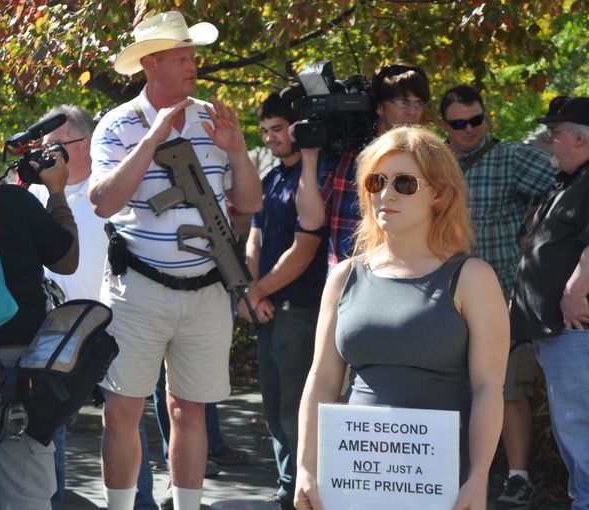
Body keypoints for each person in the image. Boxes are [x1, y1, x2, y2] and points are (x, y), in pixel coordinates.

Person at [88, 10, 262, 510]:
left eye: (192, 56)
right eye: (182, 57)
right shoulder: (118, 125)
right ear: (152, 64)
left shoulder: (213, 116)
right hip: (138, 288)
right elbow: (103, 201)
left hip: (208, 288)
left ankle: (188, 505)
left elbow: (248, 203)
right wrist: (153, 138)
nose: (193, 66)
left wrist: (238, 150)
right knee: (122, 409)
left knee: (190, 410)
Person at [294, 126, 509, 510]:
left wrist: (478, 478)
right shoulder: (344, 276)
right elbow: (321, 379)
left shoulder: (473, 277)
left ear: (439, 195)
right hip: (353, 477)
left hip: (441, 482)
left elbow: (489, 388)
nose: (386, 193)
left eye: (405, 183)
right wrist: (306, 468)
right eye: (377, 181)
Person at [439, 85, 557, 509]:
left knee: (505, 390)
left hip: (500, 298)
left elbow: (568, 181)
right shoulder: (435, 165)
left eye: (476, 120)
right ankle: (451, 476)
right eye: (459, 123)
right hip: (441, 299)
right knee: (448, 389)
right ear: (444, 126)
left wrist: (536, 224)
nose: (470, 129)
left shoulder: (509, 157)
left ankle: (518, 478)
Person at [0, 112, 79, 510]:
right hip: (17, 365)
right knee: (27, 492)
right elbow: (65, 258)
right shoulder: (13, 202)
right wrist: (56, 192)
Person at [238, 93, 328, 510]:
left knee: (296, 409)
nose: (271, 138)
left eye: (278, 129)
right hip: (267, 310)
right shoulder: (271, 178)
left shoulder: (316, 175)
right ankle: (286, 485)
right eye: (265, 131)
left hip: (301, 311)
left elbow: (305, 247)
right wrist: (248, 291)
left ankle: (301, 491)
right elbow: (254, 238)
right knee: (274, 411)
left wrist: (258, 292)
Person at [27, 104, 115, 509]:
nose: (48, 154)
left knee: (121, 418)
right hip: (52, 332)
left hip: (106, 327)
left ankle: (139, 502)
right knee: (54, 425)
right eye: (44, 146)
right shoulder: (36, 194)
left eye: (57, 145)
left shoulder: (110, 191)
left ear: (87, 143)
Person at [510, 97, 589, 510]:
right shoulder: (570, 180)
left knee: (581, 429)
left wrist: (576, 290)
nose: (550, 140)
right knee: (572, 433)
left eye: (556, 133)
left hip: (576, 330)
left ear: (579, 138)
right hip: (557, 333)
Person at [297, 63, 430, 266]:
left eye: (418, 103)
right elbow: (310, 221)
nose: (412, 111)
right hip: (347, 282)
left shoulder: (428, 161)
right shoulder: (347, 157)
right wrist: (308, 154)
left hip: (407, 277)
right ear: (379, 107)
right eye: (403, 102)